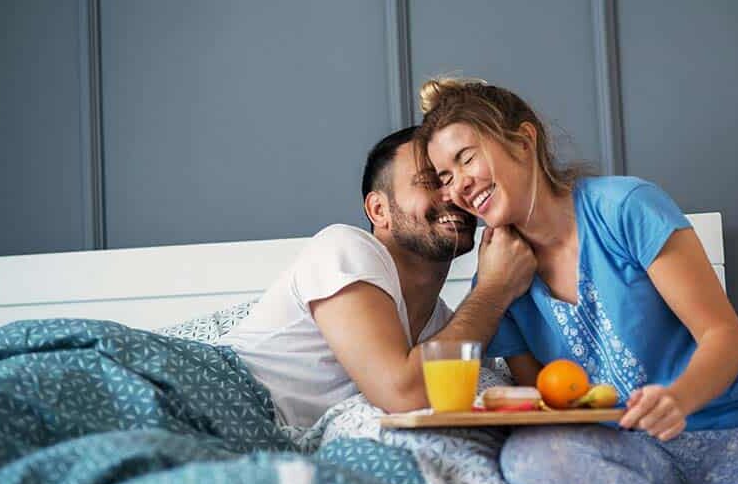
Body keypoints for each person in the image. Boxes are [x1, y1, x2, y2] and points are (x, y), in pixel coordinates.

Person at [413, 78, 738, 484]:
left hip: (736, 435)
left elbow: (723, 336)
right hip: (630, 454)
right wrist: (493, 293)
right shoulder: (499, 277)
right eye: (445, 177)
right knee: (529, 459)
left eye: (467, 158)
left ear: (523, 140)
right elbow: (545, 398)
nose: (459, 185)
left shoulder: (625, 207)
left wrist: (678, 399)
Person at [222, 126, 536, 427]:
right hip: (218, 397)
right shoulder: (342, 247)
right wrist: (495, 289)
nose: (453, 195)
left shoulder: (448, 328)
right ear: (378, 210)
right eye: (431, 182)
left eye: (452, 181)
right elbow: (403, 393)